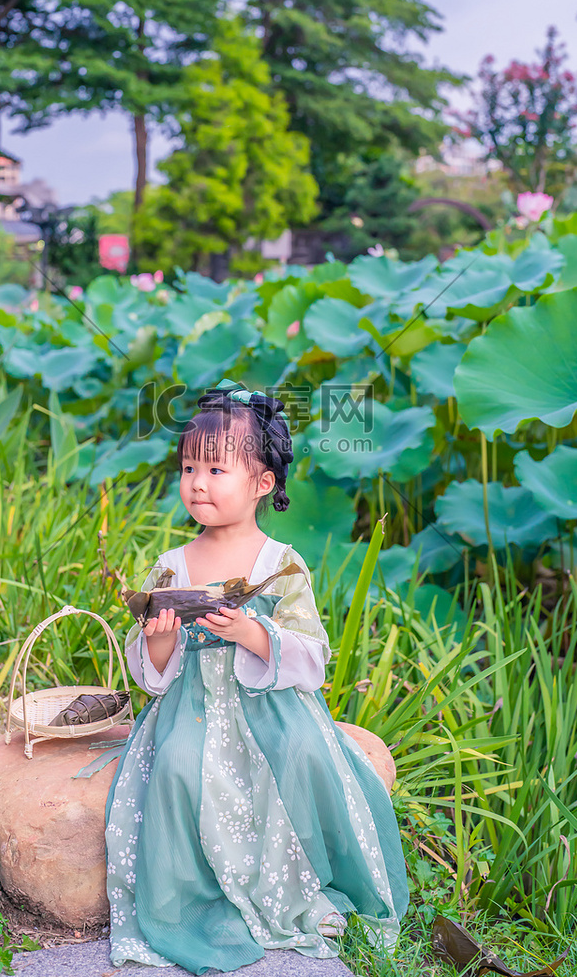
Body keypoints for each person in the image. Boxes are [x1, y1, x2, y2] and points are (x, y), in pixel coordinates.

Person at [104, 379, 408, 974]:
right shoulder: (170, 565)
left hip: (269, 703)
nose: (197, 482)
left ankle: (302, 884)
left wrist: (254, 634)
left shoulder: (282, 563)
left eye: (217, 470)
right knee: (174, 766)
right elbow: (152, 674)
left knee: (303, 754)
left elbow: (313, 656)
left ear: (263, 482)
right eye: (189, 467)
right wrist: (161, 636)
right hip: (191, 700)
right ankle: (189, 901)